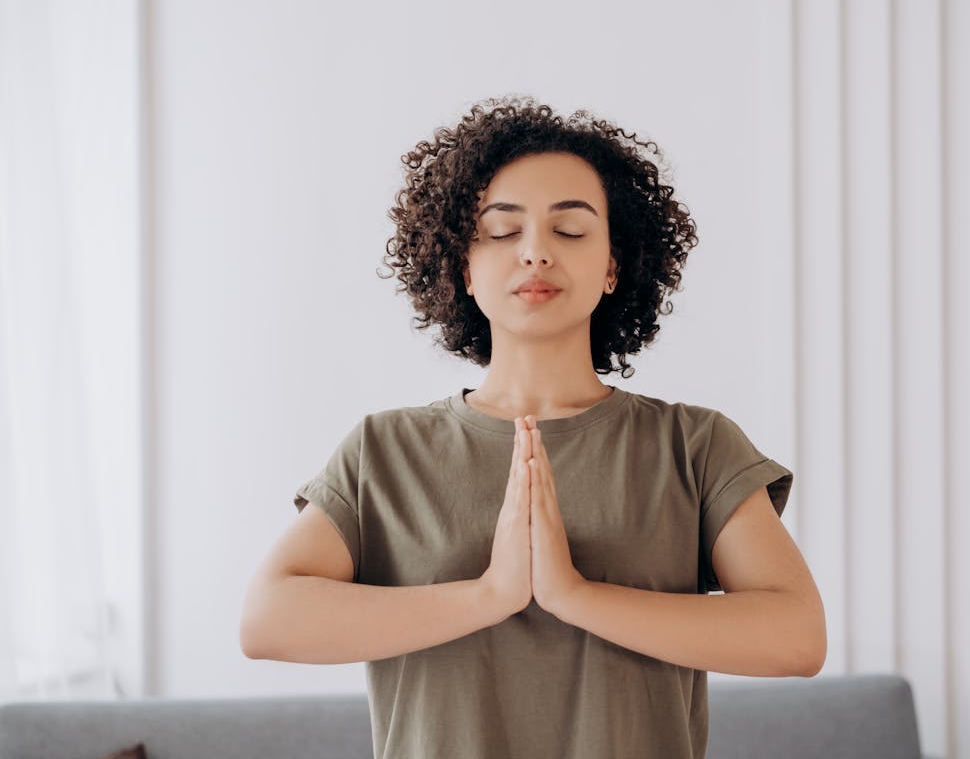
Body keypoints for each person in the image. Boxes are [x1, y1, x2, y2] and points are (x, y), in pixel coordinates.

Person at [240, 95, 826, 758]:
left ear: (613, 266)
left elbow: (797, 636)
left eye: (570, 231)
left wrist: (574, 595)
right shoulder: (386, 451)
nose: (536, 253)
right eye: (502, 230)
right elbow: (267, 621)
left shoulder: (694, 447)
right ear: (463, 264)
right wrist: (491, 595)